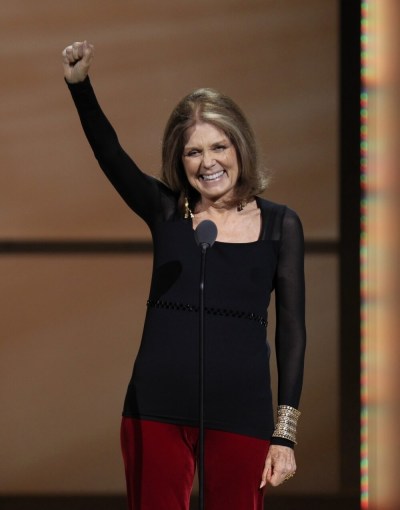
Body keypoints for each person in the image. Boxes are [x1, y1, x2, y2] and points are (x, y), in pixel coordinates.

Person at [62, 40, 306, 510]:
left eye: (219, 146)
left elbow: (293, 332)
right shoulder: (167, 212)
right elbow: (111, 155)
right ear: (180, 159)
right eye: (193, 152)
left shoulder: (281, 224)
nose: (208, 162)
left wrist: (285, 433)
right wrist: (80, 87)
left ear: (240, 146)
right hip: (155, 411)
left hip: (242, 415)